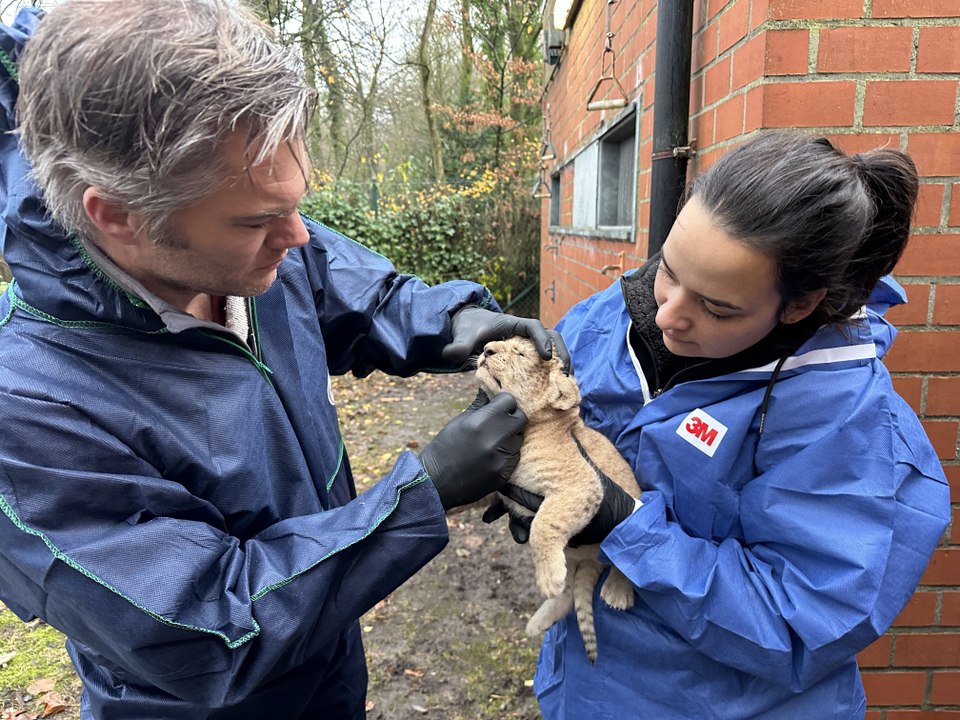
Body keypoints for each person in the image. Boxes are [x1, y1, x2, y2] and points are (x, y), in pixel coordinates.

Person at [0, 2, 568, 718]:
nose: (297, 236)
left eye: (295, 203)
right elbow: (207, 628)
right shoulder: (27, 413)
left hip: (327, 669)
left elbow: (349, 289)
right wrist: (421, 494)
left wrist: (453, 320)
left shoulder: (240, 231)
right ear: (117, 215)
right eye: (259, 219)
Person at [487, 132, 951, 719]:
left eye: (718, 307)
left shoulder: (847, 422)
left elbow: (800, 622)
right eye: (669, 270)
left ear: (799, 305)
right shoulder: (618, 314)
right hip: (587, 685)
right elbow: (554, 416)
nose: (667, 314)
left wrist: (630, 529)